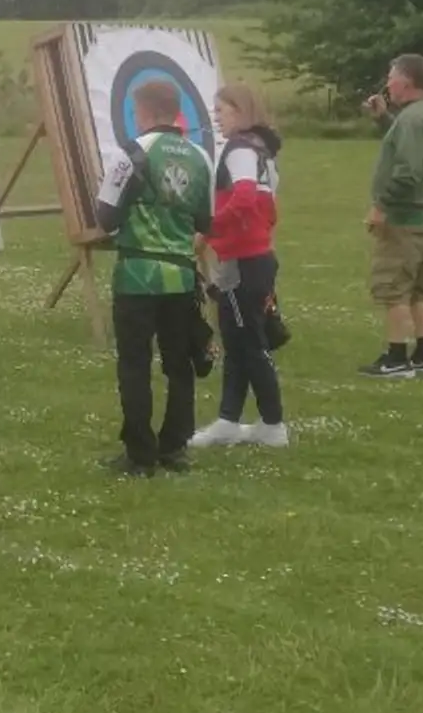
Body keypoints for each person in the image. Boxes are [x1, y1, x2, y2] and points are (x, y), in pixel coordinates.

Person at [93, 78, 214, 476]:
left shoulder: (131, 153)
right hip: (180, 278)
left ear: (142, 111)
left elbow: (106, 215)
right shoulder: (200, 157)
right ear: (176, 110)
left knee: (135, 363)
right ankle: (175, 446)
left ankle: (140, 454)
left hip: (136, 277)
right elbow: (205, 220)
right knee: (178, 364)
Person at [189, 83, 290, 447]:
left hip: (244, 260)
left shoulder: (240, 149)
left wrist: (209, 230)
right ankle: (229, 419)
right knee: (236, 338)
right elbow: (268, 207)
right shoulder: (262, 150)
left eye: (222, 110)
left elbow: (245, 199)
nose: (217, 117)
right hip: (255, 257)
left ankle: (273, 423)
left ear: (241, 111)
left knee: (248, 342)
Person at [360, 52, 423, 379]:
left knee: (393, 289)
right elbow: (408, 142)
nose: (387, 82)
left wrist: (380, 206)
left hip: (404, 221)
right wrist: (384, 118)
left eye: (391, 76)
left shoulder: (413, 120)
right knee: (419, 290)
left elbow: (408, 172)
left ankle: (396, 358)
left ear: (406, 82)